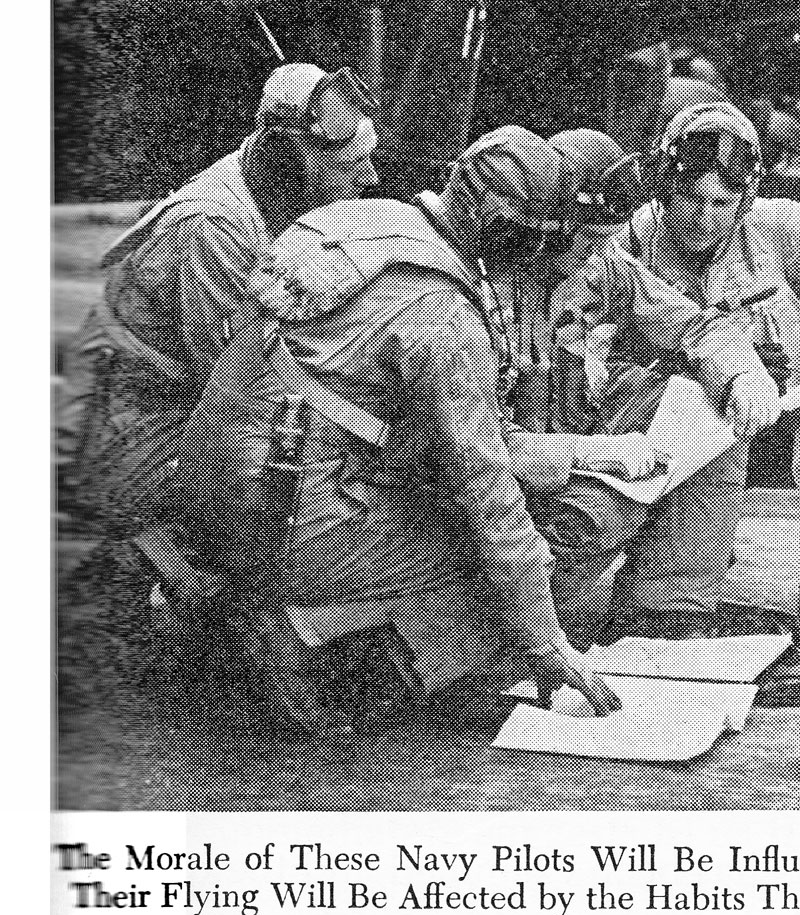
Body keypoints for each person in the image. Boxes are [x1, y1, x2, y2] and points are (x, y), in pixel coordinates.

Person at [172, 128, 656, 730]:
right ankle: (303, 656)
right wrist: (546, 639)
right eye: (546, 241)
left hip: (219, 489)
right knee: (483, 602)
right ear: (510, 231)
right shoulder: (439, 306)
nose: (554, 263)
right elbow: (483, 486)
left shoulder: (365, 220)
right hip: (298, 517)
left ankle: (240, 612)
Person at [608, 101, 800, 647]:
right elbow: (666, 330)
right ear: (663, 190)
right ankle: (646, 582)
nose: (704, 217)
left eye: (722, 199)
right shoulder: (625, 244)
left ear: (747, 195)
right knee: (688, 436)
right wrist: (729, 372)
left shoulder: (774, 225)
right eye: (689, 197)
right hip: (667, 414)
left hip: (784, 403)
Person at [55, 64, 380, 531]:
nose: (370, 177)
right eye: (351, 163)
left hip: (178, 418)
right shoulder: (210, 229)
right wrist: (372, 425)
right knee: (338, 515)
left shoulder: (268, 199)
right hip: (135, 443)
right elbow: (244, 384)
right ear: (290, 156)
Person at [507, 128, 780, 640]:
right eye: (581, 236)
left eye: (604, 236)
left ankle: (668, 599)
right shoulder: (479, 289)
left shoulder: (605, 264)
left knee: (702, 406)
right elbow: (471, 449)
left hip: (576, 470)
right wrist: (595, 452)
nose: (594, 254)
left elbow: (696, 326)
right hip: (497, 490)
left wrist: (743, 374)